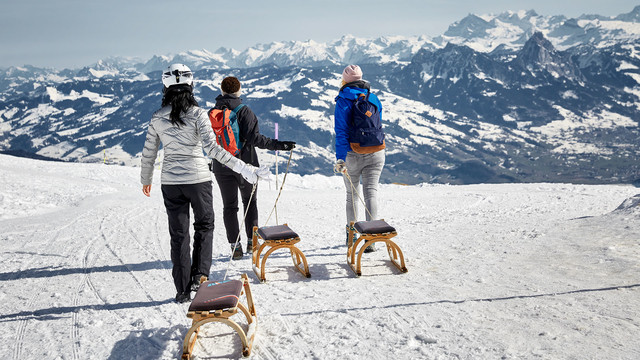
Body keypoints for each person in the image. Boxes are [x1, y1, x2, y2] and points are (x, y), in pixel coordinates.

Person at [140, 64, 270, 303]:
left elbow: (149, 152)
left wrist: (146, 178)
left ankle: (181, 289)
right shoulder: (199, 114)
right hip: (198, 180)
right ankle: (200, 275)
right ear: (191, 86)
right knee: (204, 226)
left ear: (165, 87)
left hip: (170, 182)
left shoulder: (157, 118)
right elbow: (213, 150)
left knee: (178, 234)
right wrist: (244, 167)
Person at [210, 76, 296, 260]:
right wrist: (281, 145)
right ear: (239, 90)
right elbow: (256, 139)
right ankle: (252, 243)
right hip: (246, 165)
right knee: (250, 202)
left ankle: (235, 247)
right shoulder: (244, 111)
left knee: (229, 207)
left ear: (222, 90)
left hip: (221, 165)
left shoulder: (213, 113)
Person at [333, 65, 386, 253]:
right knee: (371, 193)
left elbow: (341, 132)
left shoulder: (343, 100)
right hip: (377, 151)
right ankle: (371, 237)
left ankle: (352, 235)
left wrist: (340, 159)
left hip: (353, 154)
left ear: (345, 80)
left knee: (352, 195)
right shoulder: (373, 98)